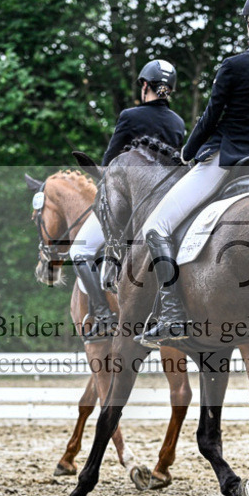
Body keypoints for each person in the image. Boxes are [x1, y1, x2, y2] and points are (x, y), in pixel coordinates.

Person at [138, 0, 249, 347]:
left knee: (156, 226)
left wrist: (187, 152)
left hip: (224, 163)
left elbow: (211, 118)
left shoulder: (234, 65)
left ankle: (171, 317)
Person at [69, 59, 185, 340]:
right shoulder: (178, 122)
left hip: (129, 207)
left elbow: (110, 166)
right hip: (166, 207)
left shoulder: (130, 116)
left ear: (145, 85)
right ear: (169, 90)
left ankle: (103, 315)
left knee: (79, 252)